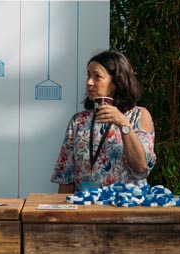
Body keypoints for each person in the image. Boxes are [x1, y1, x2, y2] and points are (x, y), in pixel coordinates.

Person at [52, 50, 156, 193]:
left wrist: (123, 123)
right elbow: (66, 176)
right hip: (86, 204)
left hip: (127, 203)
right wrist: (62, 206)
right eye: (88, 75)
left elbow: (141, 167)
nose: (89, 82)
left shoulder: (138, 116)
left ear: (116, 82)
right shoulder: (79, 121)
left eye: (97, 76)